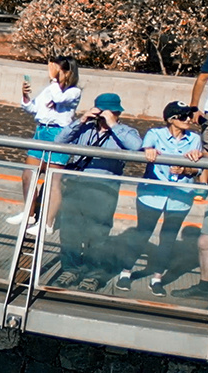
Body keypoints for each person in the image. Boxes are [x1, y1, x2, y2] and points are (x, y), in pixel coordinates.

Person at [52, 94, 143, 282]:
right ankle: (70, 269)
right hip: (76, 184)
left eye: (111, 112)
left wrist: (113, 125)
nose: (104, 116)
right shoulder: (85, 129)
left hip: (104, 188)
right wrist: (82, 119)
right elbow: (59, 140)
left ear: (117, 112)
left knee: (98, 233)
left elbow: (137, 147)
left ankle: (93, 273)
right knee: (70, 231)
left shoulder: (126, 131)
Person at [117, 102, 205, 294]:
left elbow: (196, 170)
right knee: (143, 233)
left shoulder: (194, 139)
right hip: (152, 194)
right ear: (171, 119)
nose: (189, 120)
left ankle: (157, 278)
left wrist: (185, 169)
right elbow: (145, 148)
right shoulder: (155, 134)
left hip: (180, 196)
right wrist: (148, 150)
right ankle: (125, 272)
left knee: (168, 238)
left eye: (189, 115)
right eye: (183, 116)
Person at [10, 56, 83, 225]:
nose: (53, 73)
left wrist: (53, 80)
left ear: (67, 72)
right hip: (41, 132)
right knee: (28, 176)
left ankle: (47, 223)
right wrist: (25, 96)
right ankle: (29, 214)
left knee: (53, 182)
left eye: (57, 70)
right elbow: (33, 108)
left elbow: (59, 99)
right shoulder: (50, 89)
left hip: (58, 135)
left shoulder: (74, 92)